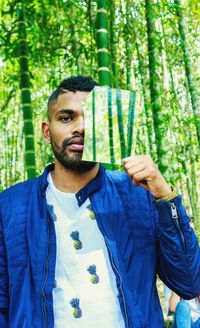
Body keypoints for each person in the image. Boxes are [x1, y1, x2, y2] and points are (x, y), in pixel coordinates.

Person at [0, 76, 199, 328]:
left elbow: (190, 282)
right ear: (47, 132)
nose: (80, 127)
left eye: (90, 117)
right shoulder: (11, 206)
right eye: (66, 118)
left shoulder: (139, 196)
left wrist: (165, 199)